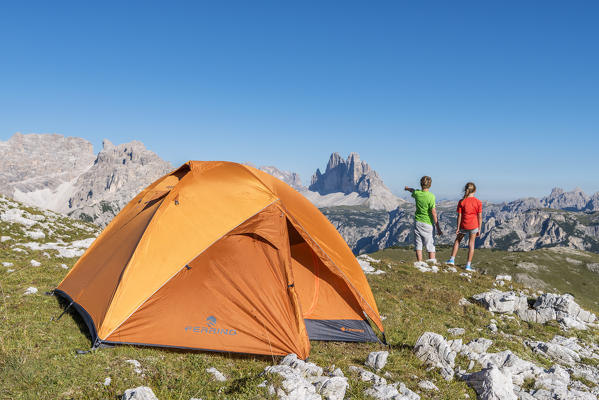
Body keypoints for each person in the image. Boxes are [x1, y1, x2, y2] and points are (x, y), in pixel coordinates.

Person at [404, 176, 442, 265]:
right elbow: (434, 213)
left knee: (418, 244)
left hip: (418, 222)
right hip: (428, 223)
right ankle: (432, 264)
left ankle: (420, 263)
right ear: (430, 185)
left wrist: (407, 188)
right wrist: (438, 227)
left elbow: (412, 190)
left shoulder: (417, 193)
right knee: (430, 244)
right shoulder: (431, 196)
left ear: (421, 184)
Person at [446, 182, 482, 271]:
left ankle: (451, 260)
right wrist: (479, 229)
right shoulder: (478, 202)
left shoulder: (461, 201)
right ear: (475, 190)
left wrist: (458, 227)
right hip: (474, 225)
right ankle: (468, 265)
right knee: (471, 244)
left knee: (457, 241)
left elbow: (460, 216)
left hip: (463, 225)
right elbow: (480, 217)